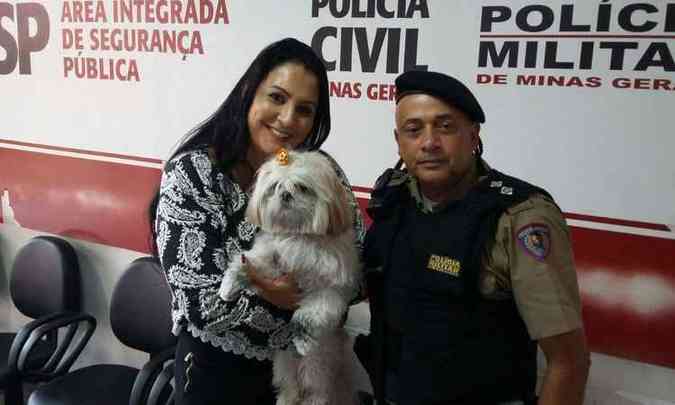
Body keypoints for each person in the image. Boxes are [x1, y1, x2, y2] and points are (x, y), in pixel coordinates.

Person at [148, 38, 365, 405]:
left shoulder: (322, 170)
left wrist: (284, 291)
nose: (287, 120)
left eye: (304, 110)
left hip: (308, 374)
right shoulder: (193, 174)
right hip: (217, 375)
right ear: (250, 92)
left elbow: (354, 276)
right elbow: (202, 303)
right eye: (277, 98)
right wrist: (296, 303)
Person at [356, 70, 590, 405]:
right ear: (399, 141)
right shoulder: (392, 200)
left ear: (473, 134)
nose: (429, 142)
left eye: (446, 126)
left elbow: (569, 361)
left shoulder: (519, 216)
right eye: (414, 129)